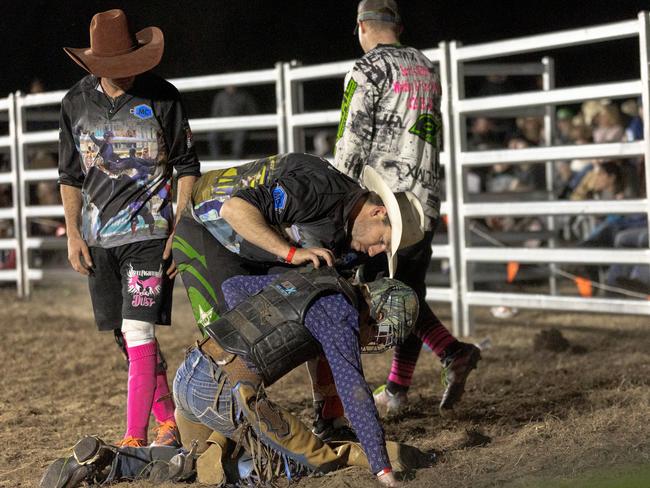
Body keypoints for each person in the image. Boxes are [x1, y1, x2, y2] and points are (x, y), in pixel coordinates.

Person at [39, 268, 435, 488]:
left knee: (190, 456)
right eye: (381, 333)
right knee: (301, 464)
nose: (374, 340)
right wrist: (383, 469)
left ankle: (106, 463)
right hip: (226, 390)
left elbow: (232, 287)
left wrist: (262, 332)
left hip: (192, 373)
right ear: (378, 314)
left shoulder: (311, 280)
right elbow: (355, 393)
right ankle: (212, 465)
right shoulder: (341, 315)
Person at [58, 9, 200, 448]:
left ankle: (133, 437)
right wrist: (75, 233)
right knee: (125, 334)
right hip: (99, 238)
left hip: (150, 235)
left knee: (138, 331)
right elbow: (70, 175)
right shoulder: (75, 103)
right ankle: (169, 420)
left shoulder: (164, 98)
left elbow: (186, 167)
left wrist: (178, 229)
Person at [333, 0, 481, 417]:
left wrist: (337, 200)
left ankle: (448, 354)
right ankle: (400, 388)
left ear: (362, 26)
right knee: (410, 289)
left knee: (392, 295)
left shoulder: (366, 70)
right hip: (425, 196)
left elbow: (351, 141)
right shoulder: (427, 67)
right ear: (397, 25)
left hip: (381, 207)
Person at [172, 152, 425, 331]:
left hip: (258, 244)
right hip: (203, 225)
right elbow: (234, 209)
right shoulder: (318, 190)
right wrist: (291, 253)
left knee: (319, 303)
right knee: (228, 331)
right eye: (382, 241)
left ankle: (325, 403)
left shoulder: (355, 238)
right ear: (377, 212)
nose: (376, 252)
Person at [209, 85, 258, 159]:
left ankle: (235, 160)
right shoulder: (220, 96)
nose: (230, 86)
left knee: (240, 135)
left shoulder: (244, 95)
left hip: (238, 126)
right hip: (222, 126)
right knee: (212, 135)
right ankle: (216, 160)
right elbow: (215, 113)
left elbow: (252, 111)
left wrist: (243, 121)